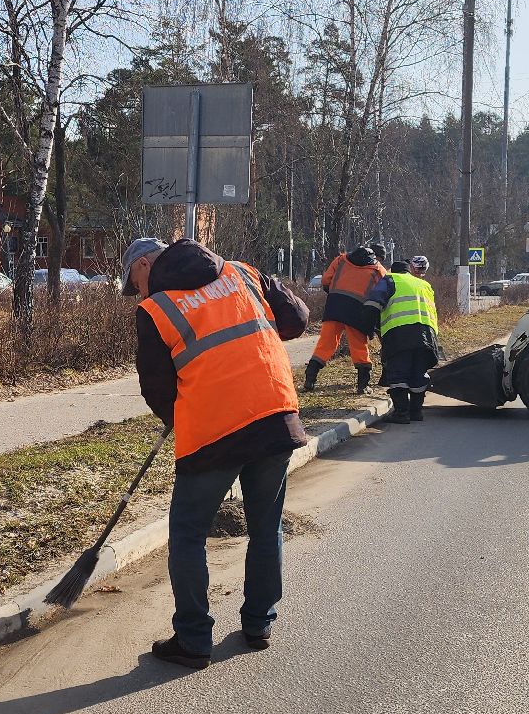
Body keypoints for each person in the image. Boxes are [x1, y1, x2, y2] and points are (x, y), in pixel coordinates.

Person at [123, 236, 311, 670]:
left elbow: (155, 386)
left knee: (188, 532)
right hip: (275, 414)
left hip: (214, 432)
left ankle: (193, 639)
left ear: (146, 264)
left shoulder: (156, 309)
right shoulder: (242, 272)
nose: (137, 292)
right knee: (266, 525)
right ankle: (259, 623)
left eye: (134, 280)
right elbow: (297, 317)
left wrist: (181, 417)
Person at [306, 243, 389, 394]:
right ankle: (362, 386)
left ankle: (309, 379)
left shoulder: (341, 260)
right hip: (357, 311)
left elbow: (325, 280)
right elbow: (384, 291)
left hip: (334, 306)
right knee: (359, 347)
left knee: (325, 344)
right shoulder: (378, 270)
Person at [369, 255, 440, 424]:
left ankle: (401, 413)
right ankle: (416, 412)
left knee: (399, 373)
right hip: (427, 335)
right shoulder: (424, 285)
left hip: (399, 334)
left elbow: (373, 303)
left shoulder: (390, 280)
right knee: (418, 373)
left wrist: (369, 325)